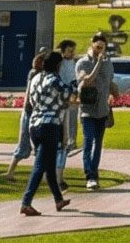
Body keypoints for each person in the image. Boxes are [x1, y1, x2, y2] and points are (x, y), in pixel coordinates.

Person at [18, 48, 72, 217]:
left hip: (35, 123)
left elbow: (32, 101)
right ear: (57, 65)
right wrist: (79, 82)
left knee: (49, 164)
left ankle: (58, 199)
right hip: (50, 124)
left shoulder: (35, 79)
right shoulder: (54, 79)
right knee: (40, 165)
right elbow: (68, 93)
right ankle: (26, 202)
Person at [75, 32, 116, 189]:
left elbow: (109, 81)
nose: (100, 49)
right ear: (92, 44)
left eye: (102, 47)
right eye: (97, 46)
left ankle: (94, 171)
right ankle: (89, 175)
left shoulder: (108, 62)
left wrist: (114, 93)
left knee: (98, 143)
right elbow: (87, 80)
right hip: (87, 109)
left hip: (102, 109)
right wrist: (98, 63)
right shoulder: (83, 63)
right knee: (88, 141)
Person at [4, 51, 47, 179]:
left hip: (30, 111)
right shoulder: (36, 74)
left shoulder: (34, 73)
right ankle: (12, 172)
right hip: (32, 112)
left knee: (30, 144)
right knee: (35, 144)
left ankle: (12, 172)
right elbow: (30, 92)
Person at [53, 36, 81, 198]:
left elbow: (75, 80)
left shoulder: (74, 63)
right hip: (63, 99)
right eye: (69, 50)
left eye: (73, 50)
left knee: (72, 123)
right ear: (64, 51)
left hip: (72, 98)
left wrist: (75, 91)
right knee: (63, 125)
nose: (72, 53)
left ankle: (71, 141)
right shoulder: (61, 64)